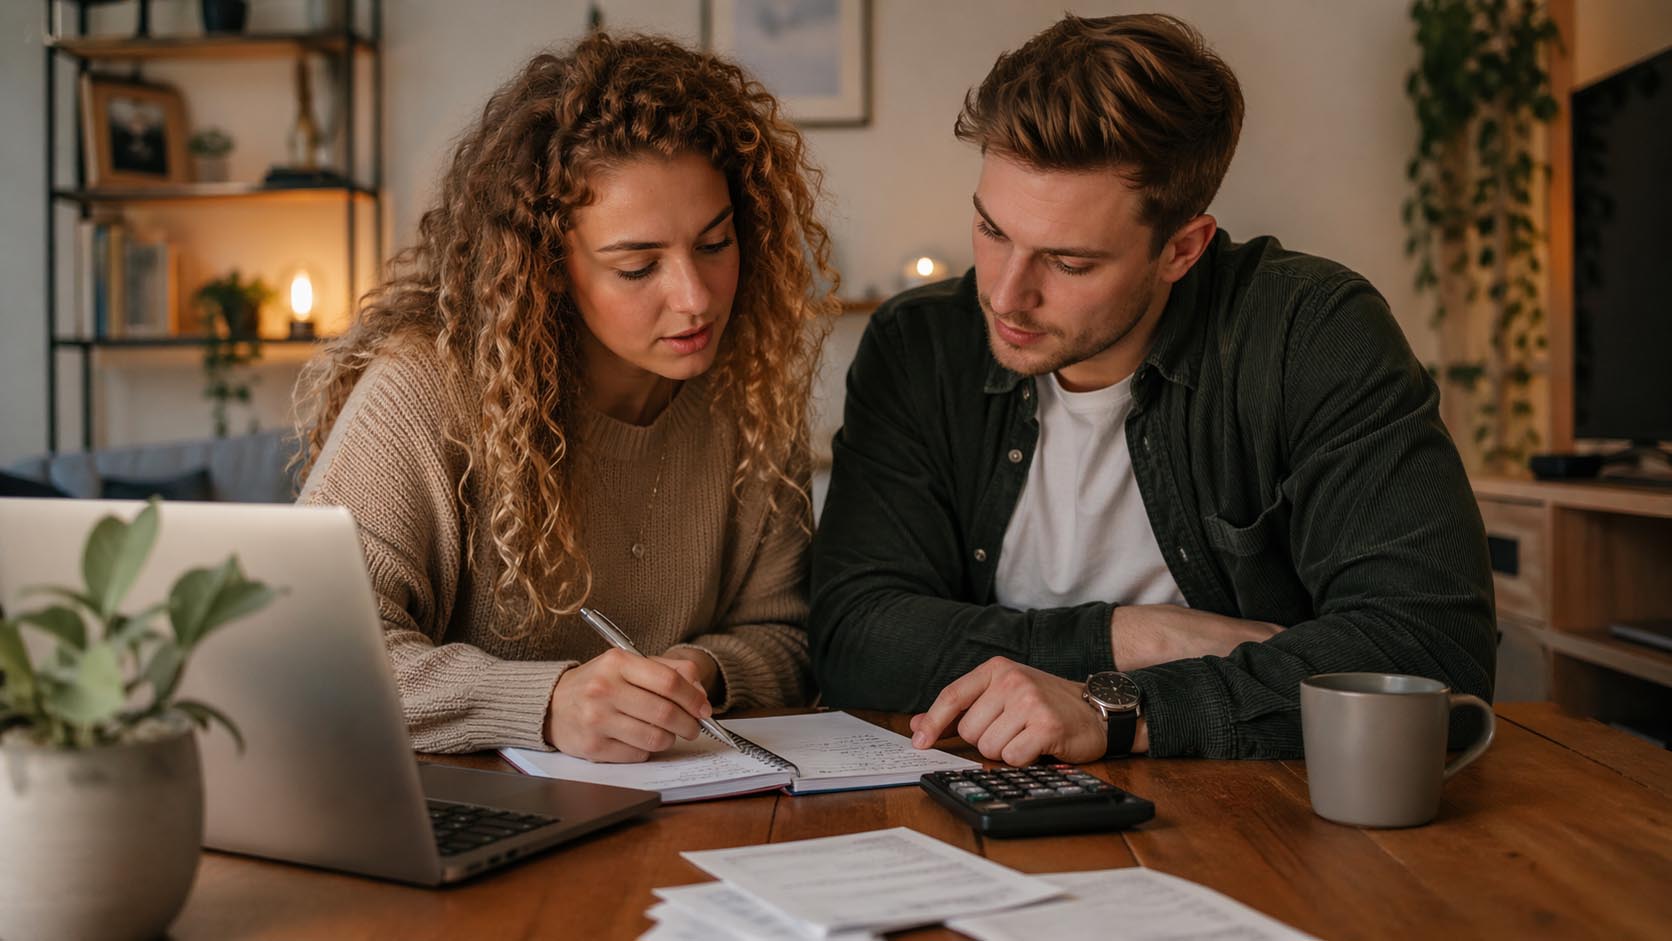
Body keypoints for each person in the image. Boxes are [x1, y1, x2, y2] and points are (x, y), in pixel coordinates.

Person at [809, 13, 1495, 764]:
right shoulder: (920, 347)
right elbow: (854, 635)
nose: (1005, 296)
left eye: (1069, 264)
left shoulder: (1311, 332)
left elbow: (1430, 649)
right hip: (983, 792)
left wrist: (1116, 711)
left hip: (1267, 814)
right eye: (992, 231)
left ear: (1181, 249)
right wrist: (1135, 635)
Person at [294, 33, 837, 759]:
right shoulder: (426, 390)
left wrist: (699, 673)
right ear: (549, 266)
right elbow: (313, 645)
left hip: (678, 813)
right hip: (455, 816)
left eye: (714, 244)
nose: (696, 297)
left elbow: (787, 633)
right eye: (638, 267)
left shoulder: (749, 391)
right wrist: (545, 704)